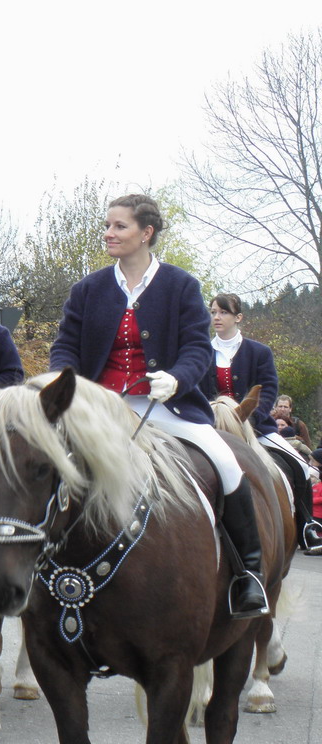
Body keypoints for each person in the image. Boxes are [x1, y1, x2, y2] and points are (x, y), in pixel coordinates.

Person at [50, 193, 268, 618]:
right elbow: (65, 347)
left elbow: (197, 348)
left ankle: (249, 574)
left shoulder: (181, 286)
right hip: (98, 407)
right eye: (107, 225)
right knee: (34, 457)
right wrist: (64, 382)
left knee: (227, 462)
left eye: (119, 226)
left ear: (146, 232)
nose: (108, 233)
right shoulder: (88, 289)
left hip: (166, 405)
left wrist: (178, 378)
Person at [200, 292, 322, 555]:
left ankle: (307, 527)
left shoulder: (259, 352)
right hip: (210, 426)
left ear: (238, 317)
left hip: (255, 426)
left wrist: (250, 419)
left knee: (301, 465)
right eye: (213, 312)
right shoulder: (201, 351)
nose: (216, 317)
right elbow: (196, 390)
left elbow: (267, 389)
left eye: (223, 312)